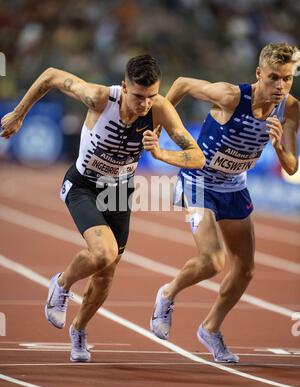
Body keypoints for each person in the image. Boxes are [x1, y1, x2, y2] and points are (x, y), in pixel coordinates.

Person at [1, 54, 205, 362]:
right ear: (124, 87)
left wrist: (163, 155)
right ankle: (61, 283)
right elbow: (51, 74)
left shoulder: (160, 109)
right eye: (138, 97)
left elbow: (196, 155)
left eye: (151, 96)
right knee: (103, 252)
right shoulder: (98, 98)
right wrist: (18, 114)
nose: (145, 105)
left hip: (119, 191)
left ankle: (79, 329)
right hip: (83, 185)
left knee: (106, 275)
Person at [150, 43, 300, 363]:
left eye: (287, 79)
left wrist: (277, 146)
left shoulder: (290, 108)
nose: (280, 86)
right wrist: (159, 125)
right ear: (259, 74)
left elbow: (291, 167)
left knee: (245, 270)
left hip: (234, 186)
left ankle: (210, 328)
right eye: (273, 78)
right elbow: (181, 85)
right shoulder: (231, 96)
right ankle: (167, 293)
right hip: (199, 180)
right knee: (212, 261)